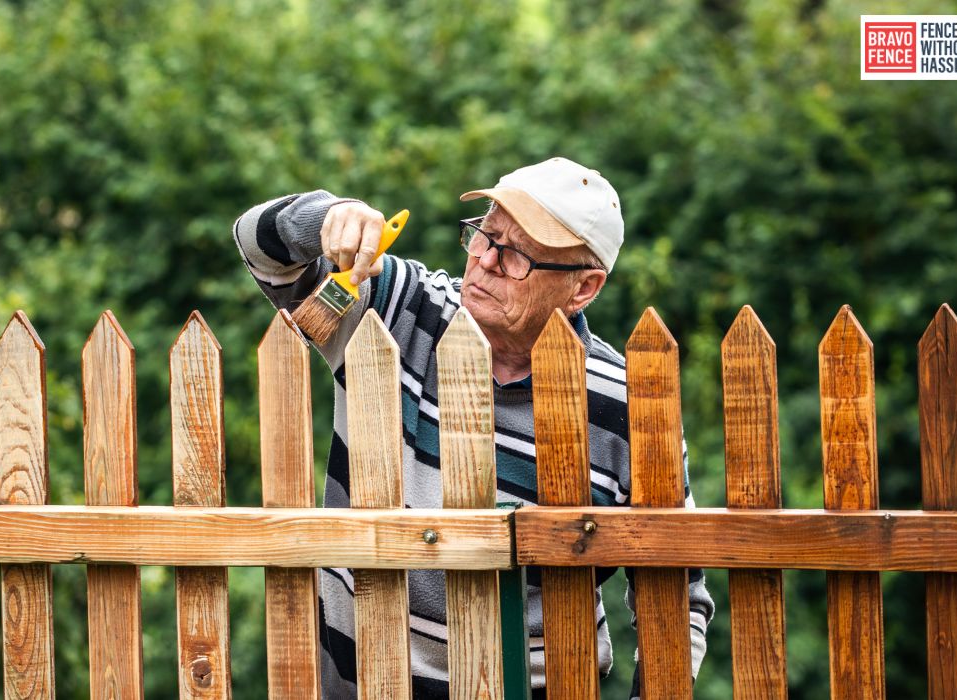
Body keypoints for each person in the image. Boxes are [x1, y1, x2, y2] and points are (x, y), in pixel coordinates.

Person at [233, 156, 713, 698]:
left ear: (584, 287)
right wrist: (325, 217)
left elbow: (678, 596)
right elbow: (258, 247)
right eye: (484, 234)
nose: (483, 260)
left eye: (515, 257)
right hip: (360, 684)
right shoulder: (400, 309)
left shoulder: (624, 403)